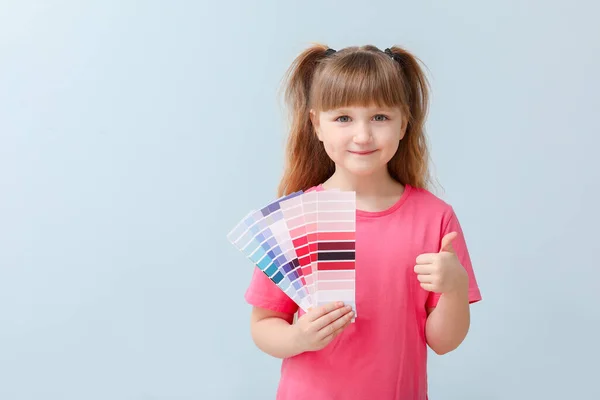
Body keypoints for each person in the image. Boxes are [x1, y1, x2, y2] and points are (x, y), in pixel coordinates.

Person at [244, 43, 482, 399]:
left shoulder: (435, 218)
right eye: (343, 118)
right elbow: (264, 325)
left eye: (380, 117)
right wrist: (297, 337)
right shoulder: (293, 218)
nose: (362, 135)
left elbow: (444, 342)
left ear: (404, 123)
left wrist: (455, 288)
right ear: (316, 125)